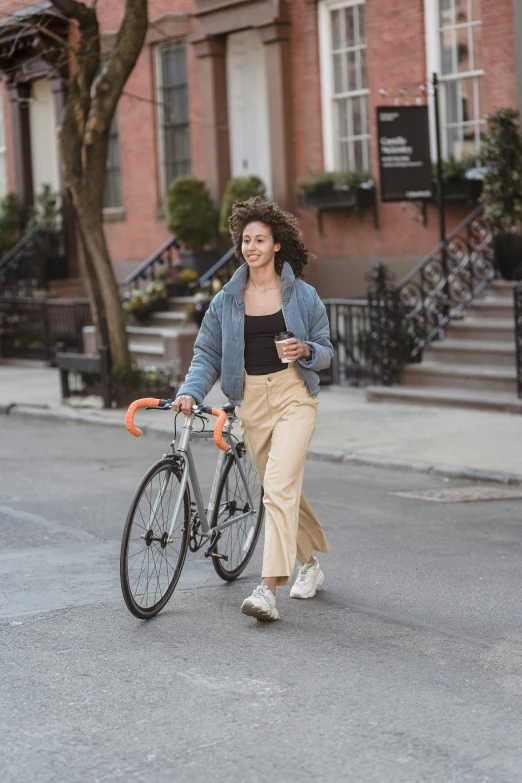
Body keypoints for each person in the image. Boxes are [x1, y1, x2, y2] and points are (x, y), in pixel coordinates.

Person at [174, 197, 333, 621]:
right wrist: (191, 390)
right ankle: (310, 566)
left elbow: (327, 352)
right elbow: (207, 353)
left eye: (260, 239)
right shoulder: (227, 300)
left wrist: (306, 349)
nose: (252, 247)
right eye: (246, 240)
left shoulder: (303, 295)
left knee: (278, 489)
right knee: (281, 490)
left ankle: (267, 590)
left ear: (277, 244)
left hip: (294, 395)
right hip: (251, 402)